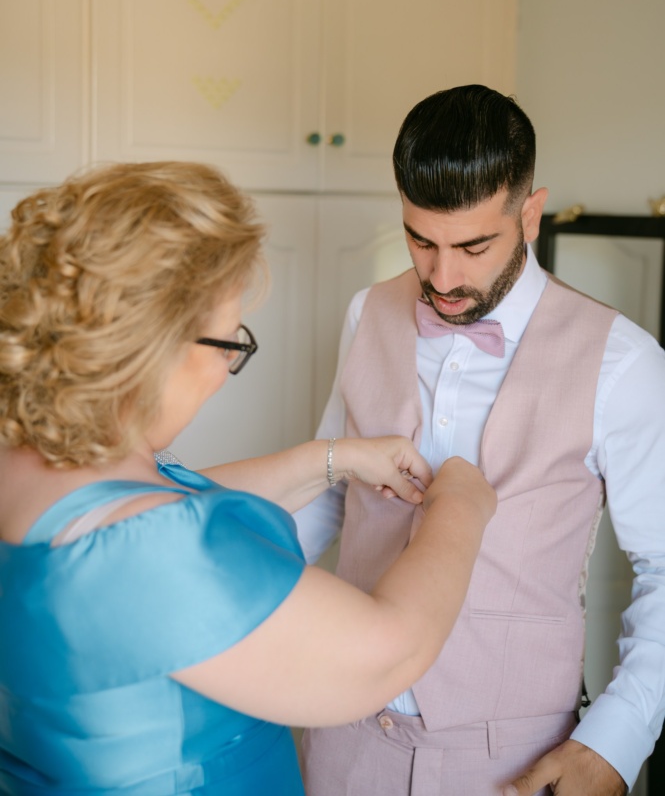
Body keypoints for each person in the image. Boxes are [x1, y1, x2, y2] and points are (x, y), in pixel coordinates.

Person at [0, 160, 496, 795]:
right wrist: (462, 504)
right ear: (157, 347)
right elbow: (386, 653)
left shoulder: (30, 461)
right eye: (228, 345)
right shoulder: (148, 552)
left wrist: (332, 458)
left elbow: (152, 502)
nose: (221, 374)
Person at [295, 84, 665, 796]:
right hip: (341, 739)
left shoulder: (623, 362)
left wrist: (615, 743)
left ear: (530, 213)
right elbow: (324, 498)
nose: (442, 277)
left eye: (472, 246)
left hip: (512, 762)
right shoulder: (367, 312)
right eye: (420, 240)